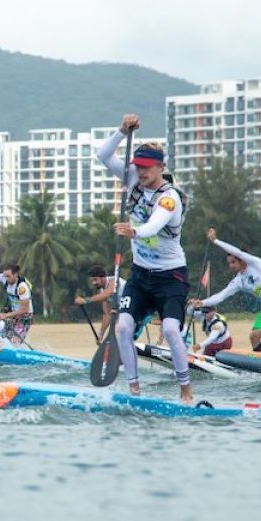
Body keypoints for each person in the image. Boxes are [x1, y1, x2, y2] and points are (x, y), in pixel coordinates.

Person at [96, 114, 193, 403]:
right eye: (138, 166)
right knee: (124, 327)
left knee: (170, 330)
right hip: (140, 274)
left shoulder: (170, 196)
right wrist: (121, 132)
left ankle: (185, 389)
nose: (141, 172)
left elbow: (154, 225)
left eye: (147, 168)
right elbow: (103, 155)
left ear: (161, 166)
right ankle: (134, 389)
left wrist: (134, 231)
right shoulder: (132, 177)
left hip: (170, 276)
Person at [189, 228, 261, 355]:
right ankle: (260, 362)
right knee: (254, 336)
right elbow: (221, 295)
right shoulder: (239, 281)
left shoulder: (256, 264)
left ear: (242, 259)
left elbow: (237, 252)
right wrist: (202, 303)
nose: (231, 266)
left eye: (233, 262)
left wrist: (216, 241)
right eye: (229, 263)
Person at [74, 265, 125, 342]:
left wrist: (85, 300)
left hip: (138, 308)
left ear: (103, 277)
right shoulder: (102, 291)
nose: (94, 283)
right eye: (92, 281)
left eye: (95, 280)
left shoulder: (114, 281)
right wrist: (101, 334)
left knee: (119, 330)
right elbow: (107, 315)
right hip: (126, 312)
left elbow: (107, 294)